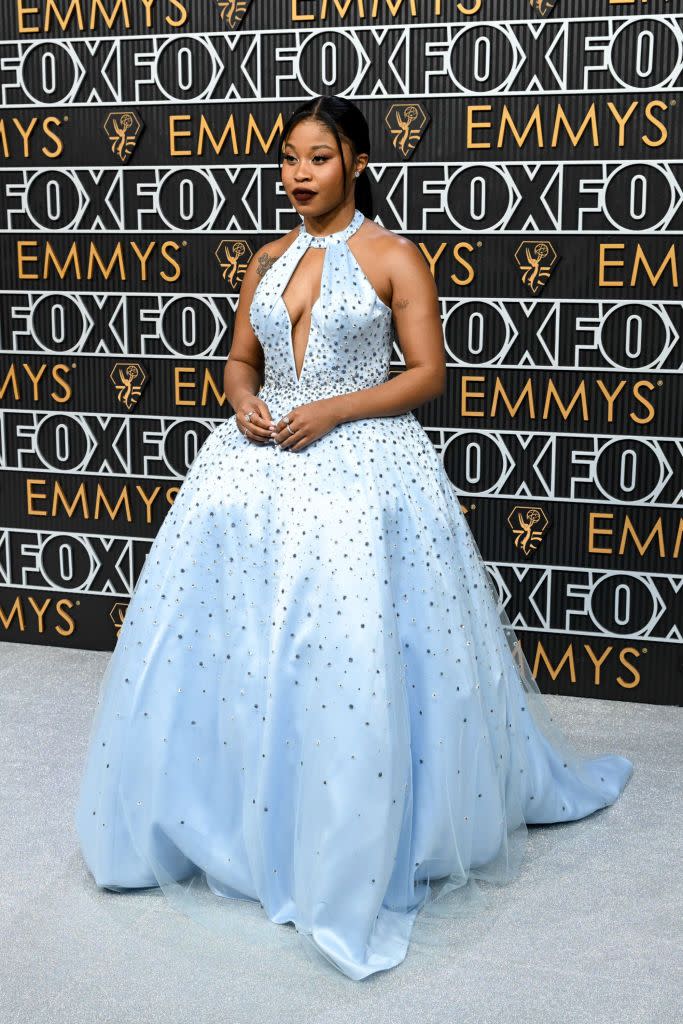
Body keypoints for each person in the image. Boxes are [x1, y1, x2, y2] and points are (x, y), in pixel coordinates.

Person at [75, 95, 633, 982]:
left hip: (360, 468)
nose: (298, 174)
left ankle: (350, 834)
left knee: (346, 653)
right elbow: (240, 358)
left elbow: (428, 374)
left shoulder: (394, 257)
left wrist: (332, 408)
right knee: (233, 647)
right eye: (289, 158)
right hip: (251, 469)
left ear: (358, 162)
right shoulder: (264, 258)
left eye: (318, 158)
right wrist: (243, 401)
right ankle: (229, 820)